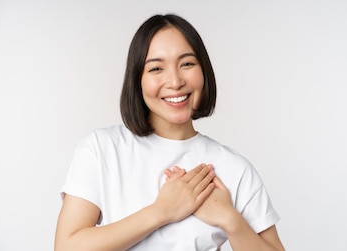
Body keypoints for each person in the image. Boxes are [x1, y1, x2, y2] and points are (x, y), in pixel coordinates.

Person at [54, 14, 285, 251]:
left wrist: (230, 219)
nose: (175, 81)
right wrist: (162, 211)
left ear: (203, 71)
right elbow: (66, 246)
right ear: (138, 79)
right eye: (156, 68)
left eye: (187, 64)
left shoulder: (234, 168)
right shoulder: (102, 149)